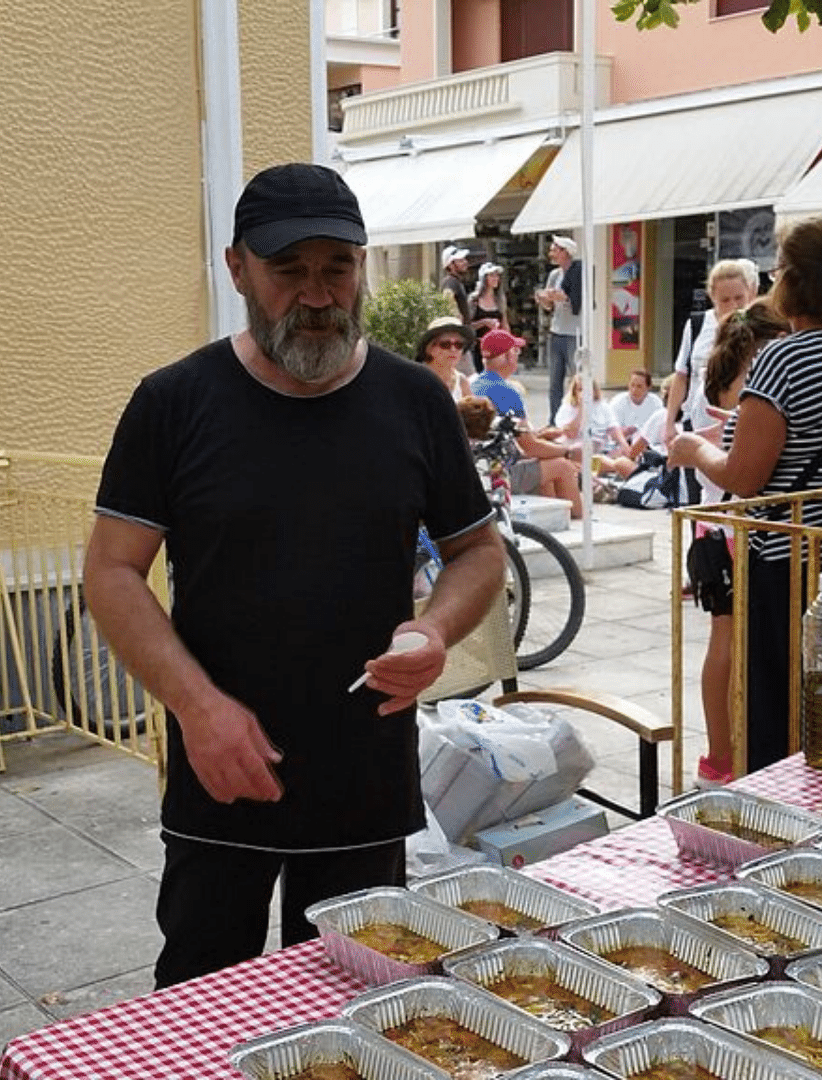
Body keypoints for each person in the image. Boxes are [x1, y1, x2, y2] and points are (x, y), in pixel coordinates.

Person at [83, 163, 504, 988]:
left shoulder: (416, 400)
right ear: (238, 268)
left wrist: (435, 629)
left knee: (363, 1003)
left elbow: (478, 551)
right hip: (221, 772)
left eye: (336, 268)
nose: (317, 296)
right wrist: (198, 709)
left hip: (365, 773)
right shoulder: (173, 402)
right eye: (289, 271)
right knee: (203, 1000)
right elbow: (112, 571)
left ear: (362, 270)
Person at [668, 217, 822, 774]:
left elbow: (744, 476)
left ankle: (781, 834)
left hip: (785, 564)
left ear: (792, 282)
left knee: (776, 711)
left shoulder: (785, 358)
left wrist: (693, 450)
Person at [683, 298, 791, 788]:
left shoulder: (727, 377)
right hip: (738, 533)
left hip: (717, 531)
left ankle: (719, 758)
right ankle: (726, 759)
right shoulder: (765, 375)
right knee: (734, 646)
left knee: (724, 642)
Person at [471, 328, 583, 518]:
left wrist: (541, 435)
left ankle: (552, 522)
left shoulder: (474, 381)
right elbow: (530, 447)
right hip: (496, 473)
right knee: (563, 466)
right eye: (516, 352)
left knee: (546, 467)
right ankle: (580, 521)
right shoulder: (505, 391)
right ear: (506, 357)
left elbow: (511, 436)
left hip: (479, 466)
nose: (518, 356)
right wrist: (569, 451)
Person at [663, 259, 758, 452]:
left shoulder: (759, 328)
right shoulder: (697, 325)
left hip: (739, 426)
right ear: (712, 297)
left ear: (750, 293)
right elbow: (682, 376)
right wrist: (670, 422)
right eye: (725, 300)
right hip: (698, 423)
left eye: (739, 298)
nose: (733, 306)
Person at [534, 235, 582, 424]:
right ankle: (554, 419)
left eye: (555, 249)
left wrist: (561, 297)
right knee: (555, 381)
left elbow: (577, 299)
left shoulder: (578, 272)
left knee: (576, 378)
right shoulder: (554, 275)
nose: (551, 253)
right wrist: (544, 298)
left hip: (574, 332)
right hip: (557, 330)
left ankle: (577, 418)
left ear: (565, 252)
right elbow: (549, 307)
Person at [554, 374, 632, 459]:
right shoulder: (567, 408)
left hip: (600, 449)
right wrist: (581, 409)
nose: (584, 393)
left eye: (587, 390)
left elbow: (613, 428)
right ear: (574, 392)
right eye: (580, 390)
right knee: (580, 450)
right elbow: (571, 433)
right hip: (575, 448)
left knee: (625, 452)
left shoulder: (603, 406)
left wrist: (623, 444)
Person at [414, 315, 475, 401]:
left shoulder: (462, 382)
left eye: (459, 345)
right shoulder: (417, 379)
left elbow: (472, 413)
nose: (453, 349)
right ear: (430, 348)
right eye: (445, 344)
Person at [440, 245, 476, 371]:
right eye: (460, 260)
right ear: (450, 265)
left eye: (464, 259)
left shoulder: (455, 282)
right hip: (458, 341)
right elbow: (447, 302)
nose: (465, 262)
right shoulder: (451, 282)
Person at [609, 369, 662, 440]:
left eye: (639, 386)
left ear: (648, 387)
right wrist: (626, 432)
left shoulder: (656, 402)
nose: (634, 389)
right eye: (632, 385)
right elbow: (611, 433)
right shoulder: (617, 401)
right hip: (622, 444)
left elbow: (659, 430)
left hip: (648, 445)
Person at [468, 262, 511, 350]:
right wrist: (484, 322)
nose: (495, 278)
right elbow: (467, 325)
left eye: (497, 276)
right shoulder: (474, 300)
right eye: (492, 275)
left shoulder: (500, 299)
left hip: (496, 347)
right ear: (484, 278)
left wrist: (509, 344)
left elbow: (504, 323)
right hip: (477, 347)